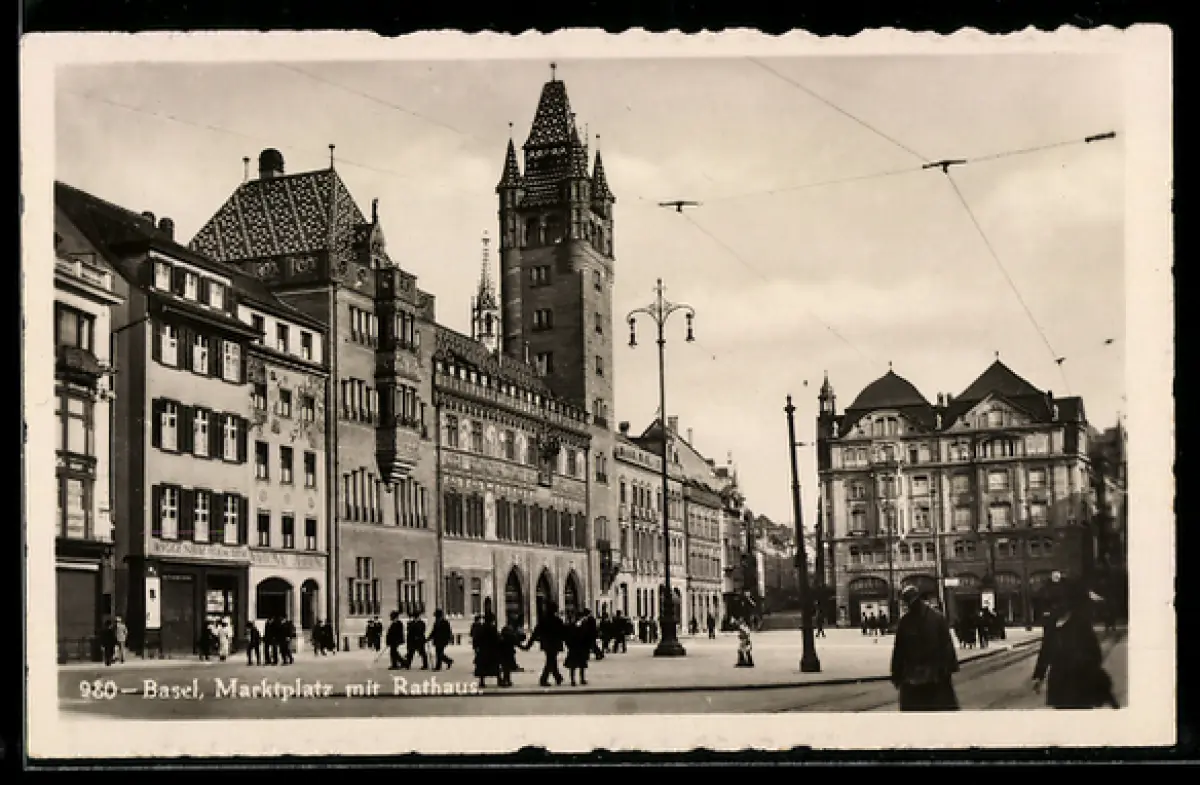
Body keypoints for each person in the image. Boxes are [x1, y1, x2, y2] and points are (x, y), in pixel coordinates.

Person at [1032, 579, 1119, 710]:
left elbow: (1095, 654)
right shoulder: (1051, 624)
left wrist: (1084, 667)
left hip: (1079, 682)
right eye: (1054, 604)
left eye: (1060, 603)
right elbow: (1046, 650)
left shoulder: (1081, 623)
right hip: (1059, 681)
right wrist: (1039, 676)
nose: (1056, 607)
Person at [890, 586, 960, 711]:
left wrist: (896, 674)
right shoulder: (937, 617)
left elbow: (899, 651)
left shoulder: (906, 621)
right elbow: (947, 646)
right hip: (933, 676)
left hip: (916, 678)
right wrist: (949, 668)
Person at [522, 602, 566, 687]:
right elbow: (564, 633)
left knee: (551, 660)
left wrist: (528, 645)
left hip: (546, 644)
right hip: (555, 644)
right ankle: (544, 679)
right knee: (550, 661)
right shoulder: (557, 621)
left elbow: (535, 633)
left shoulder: (543, 620)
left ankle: (557, 677)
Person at [564, 613, 592, 686]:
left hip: (575, 648)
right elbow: (587, 637)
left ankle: (575, 680)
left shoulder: (572, 626)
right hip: (579, 647)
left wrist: (569, 645)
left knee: (575, 665)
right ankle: (579, 679)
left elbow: (567, 638)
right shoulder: (583, 626)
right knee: (579, 665)